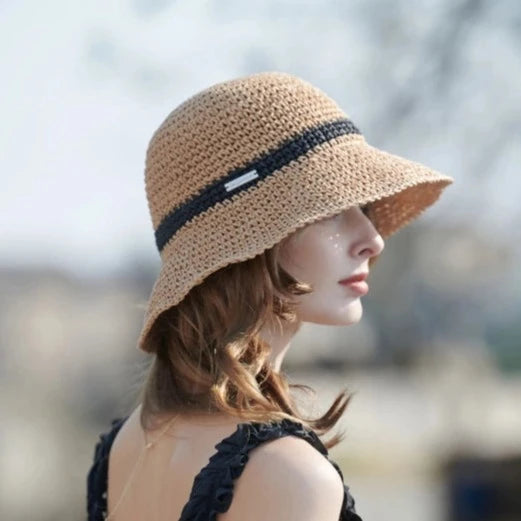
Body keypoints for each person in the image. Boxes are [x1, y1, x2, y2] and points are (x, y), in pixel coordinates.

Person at [86, 71, 454, 521]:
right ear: (253, 240)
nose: (371, 239)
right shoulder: (293, 478)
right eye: (333, 209)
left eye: (363, 207)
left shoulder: (125, 446)